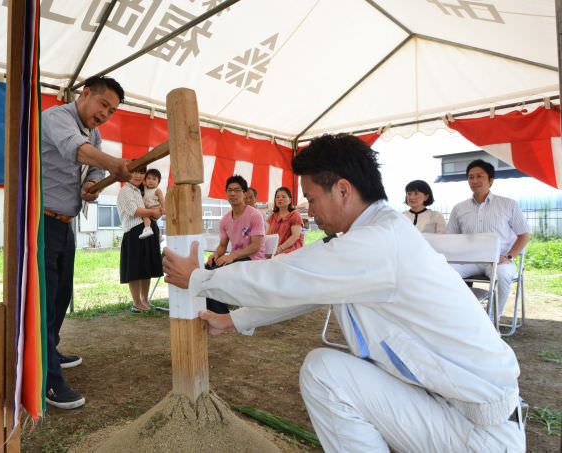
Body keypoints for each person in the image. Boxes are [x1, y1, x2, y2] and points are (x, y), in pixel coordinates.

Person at [163, 134, 524, 453]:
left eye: (312, 198)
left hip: (480, 431)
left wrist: (198, 279)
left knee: (324, 375)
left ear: (343, 190)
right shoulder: (376, 234)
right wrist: (233, 320)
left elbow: (285, 276)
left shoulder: (379, 241)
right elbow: (311, 289)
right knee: (325, 370)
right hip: (455, 407)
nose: (311, 211)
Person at [42, 75, 130, 409]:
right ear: (86, 93)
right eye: (103, 105)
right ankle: (48, 380)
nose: (105, 114)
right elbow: (78, 152)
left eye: (112, 111)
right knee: (46, 300)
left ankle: (51, 349)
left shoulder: (94, 133)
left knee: (62, 295)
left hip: (66, 223)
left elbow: (91, 169)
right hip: (42, 221)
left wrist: (93, 184)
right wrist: (114, 166)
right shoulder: (57, 118)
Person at [447, 159, 530, 319]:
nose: (474, 181)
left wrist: (509, 256)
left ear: (490, 180)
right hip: (469, 260)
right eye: (471, 177)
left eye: (480, 176)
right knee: (444, 272)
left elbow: (524, 235)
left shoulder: (508, 205)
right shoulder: (459, 208)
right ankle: (460, 314)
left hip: (498, 260)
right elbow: (452, 237)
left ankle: (492, 319)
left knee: (503, 274)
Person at [205, 175, 265, 314]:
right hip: (236, 258)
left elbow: (256, 246)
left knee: (219, 272)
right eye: (229, 190)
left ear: (244, 193)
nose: (233, 193)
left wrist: (232, 256)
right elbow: (222, 246)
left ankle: (221, 316)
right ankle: (215, 312)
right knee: (206, 269)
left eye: (237, 190)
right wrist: (215, 255)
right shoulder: (225, 219)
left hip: (253, 259)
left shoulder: (254, 215)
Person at [117, 167, 164, 313]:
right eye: (135, 171)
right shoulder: (125, 190)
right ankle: (137, 302)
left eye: (141, 172)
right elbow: (135, 211)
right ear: (128, 173)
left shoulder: (141, 190)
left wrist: (157, 212)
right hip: (134, 233)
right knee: (135, 268)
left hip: (149, 230)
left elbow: (156, 210)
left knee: (146, 267)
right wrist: (154, 211)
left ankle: (145, 301)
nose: (138, 175)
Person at [266, 186, 303, 254]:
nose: (280, 199)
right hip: (273, 251)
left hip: (291, 251)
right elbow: (267, 236)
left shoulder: (295, 215)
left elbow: (295, 236)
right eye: (277, 197)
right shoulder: (271, 217)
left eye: (283, 197)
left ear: (290, 200)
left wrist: (279, 249)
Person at [138, 168, 165, 239]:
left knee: (145, 215)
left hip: (155, 209)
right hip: (147, 210)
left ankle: (148, 228)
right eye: (149, 178)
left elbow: (162, 200)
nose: (151, 181)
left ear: (158, 182)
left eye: (154, 179)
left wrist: (163, 209)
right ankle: (148, 229)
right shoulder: (144, 187)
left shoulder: (157, 190)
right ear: (145, 180)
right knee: (145, 216)